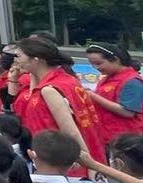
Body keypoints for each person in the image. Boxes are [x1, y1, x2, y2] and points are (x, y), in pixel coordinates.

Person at [12, 35, 106, 163]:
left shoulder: (50, 90)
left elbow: (71, 131)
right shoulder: (66, 80)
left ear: (35, 60)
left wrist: (89, 164)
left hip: (62, 161)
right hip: (65, 156)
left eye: (19, 56)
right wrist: (33, 72)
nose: (16, 61)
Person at [83, 42, 143, 140]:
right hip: (109, 135)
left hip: (129, 139)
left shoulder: (132, 82)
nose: (96, 68)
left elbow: (128, 112)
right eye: (92, 64)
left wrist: (93, 96)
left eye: (99, 63)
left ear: (116, 60)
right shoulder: (107, 78)